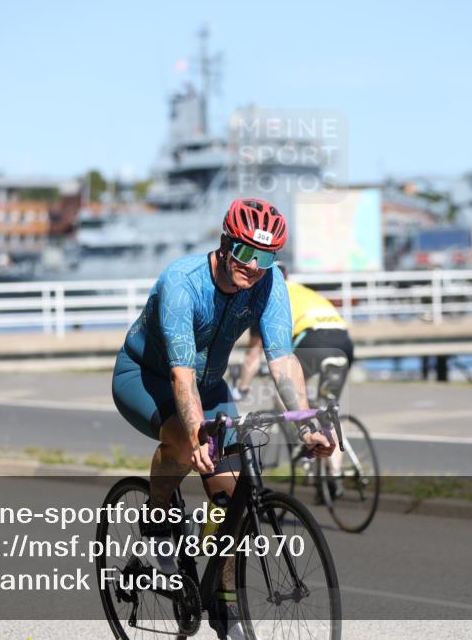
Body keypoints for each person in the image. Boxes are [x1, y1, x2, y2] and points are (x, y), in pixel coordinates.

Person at [111, 198, 334, 640]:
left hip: (211, 386)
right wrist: (195, 435)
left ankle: (225, 605)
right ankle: (157, 523)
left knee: (234, 502)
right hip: (147, 377)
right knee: (181, 441)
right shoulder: (182, 281)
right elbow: (179, 373)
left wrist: (306, 422)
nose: (254, 266)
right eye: (246, 252)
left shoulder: (268, 284)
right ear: (226, 242)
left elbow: (282, 358)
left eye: (266, 256)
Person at [235, 265, 354, 497]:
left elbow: (253, 354)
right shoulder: (301, 290)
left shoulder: (266, 296)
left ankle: (302, 437)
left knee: (283, 392)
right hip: (342, 340)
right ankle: (335, 475)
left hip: (314, 339)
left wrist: (242, 387)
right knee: (329, 411)